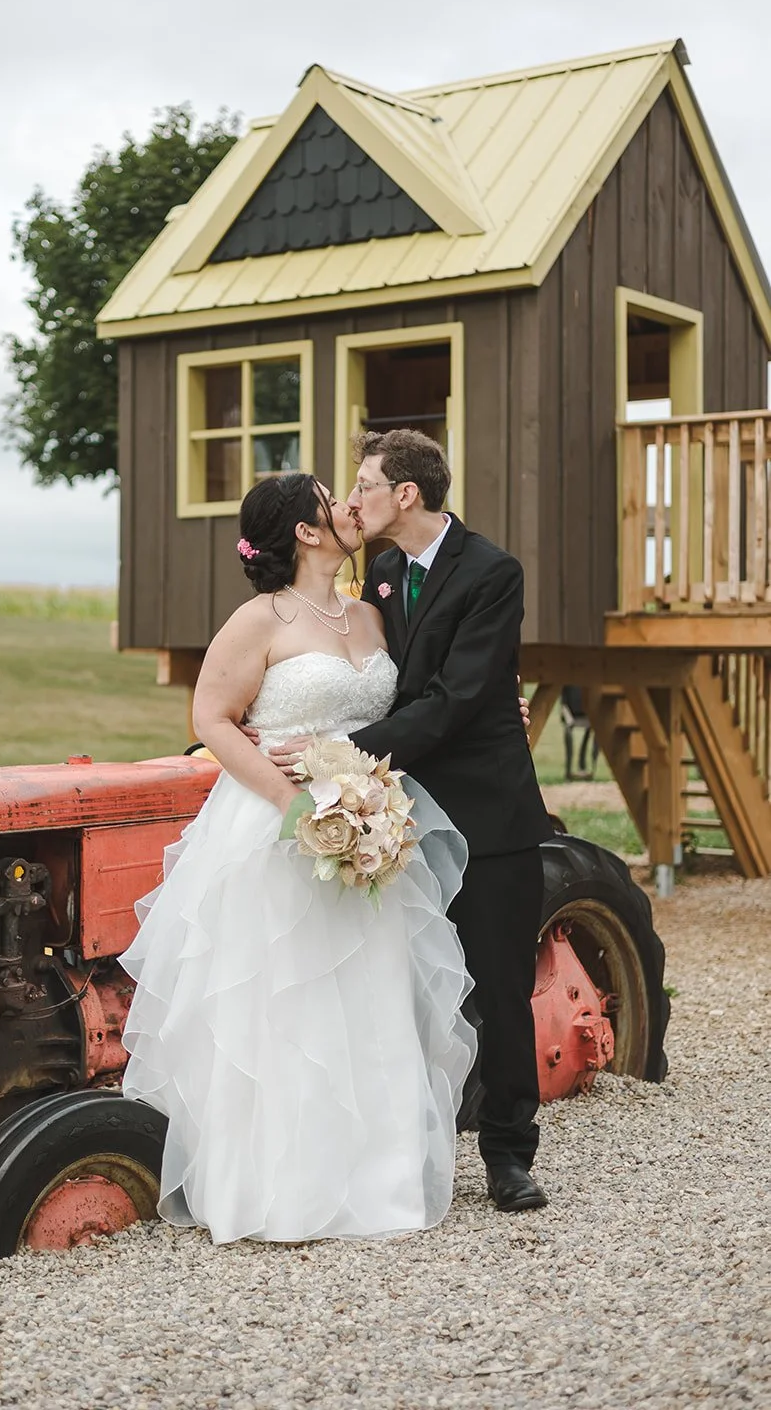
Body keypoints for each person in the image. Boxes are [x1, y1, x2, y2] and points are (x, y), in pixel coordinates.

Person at [120, 472, 476, 1244]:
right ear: (306, 532)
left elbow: (418, 705)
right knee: (284, 999)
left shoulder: (371, 611)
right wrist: (293, 808)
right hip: (270, 830)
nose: (351, 506)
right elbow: (211, 719)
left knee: (369, 993)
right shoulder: (259, 619)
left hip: (368, 825)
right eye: (331, 500)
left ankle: (376, 1188)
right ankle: (275, 1192)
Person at [269, 429, 552, 1214]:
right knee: (400, 985)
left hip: (487, 814)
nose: (350, 498)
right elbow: (376, 679)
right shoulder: (384, 571)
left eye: (362, 483)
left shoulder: (493, 572)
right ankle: (402, 1146)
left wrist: (334, 748)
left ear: (406, 494)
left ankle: (506, 1156)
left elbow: (457, 700)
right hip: (397, 817)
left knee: (498, 986)